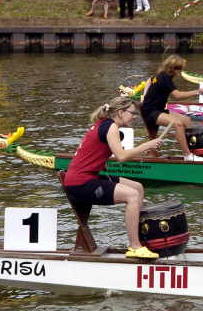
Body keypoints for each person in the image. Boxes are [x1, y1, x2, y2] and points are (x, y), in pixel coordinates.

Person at [63, 97, 165, 259]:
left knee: (137, 187)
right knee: (131, 195)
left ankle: (142, 238)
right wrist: (147, 145)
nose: (134, 117)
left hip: (85, 178)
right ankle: (135, 246)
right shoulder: (110, 127)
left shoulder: (104, 124)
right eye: (132, 113)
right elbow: (121, 156)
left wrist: (143, 149)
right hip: (80, 184)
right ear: (120, 112)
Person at [139, 55, 203, 161]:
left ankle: (194, 152)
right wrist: (197, 91)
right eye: (179, 69)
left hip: (158, 109)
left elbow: (149, 81)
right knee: (177, 124)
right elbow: (177, 96)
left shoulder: (163, 75)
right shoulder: (164, 77)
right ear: (172, 69)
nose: (180, 71)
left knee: (186, 120)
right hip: (150, 111)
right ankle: (188, 155)